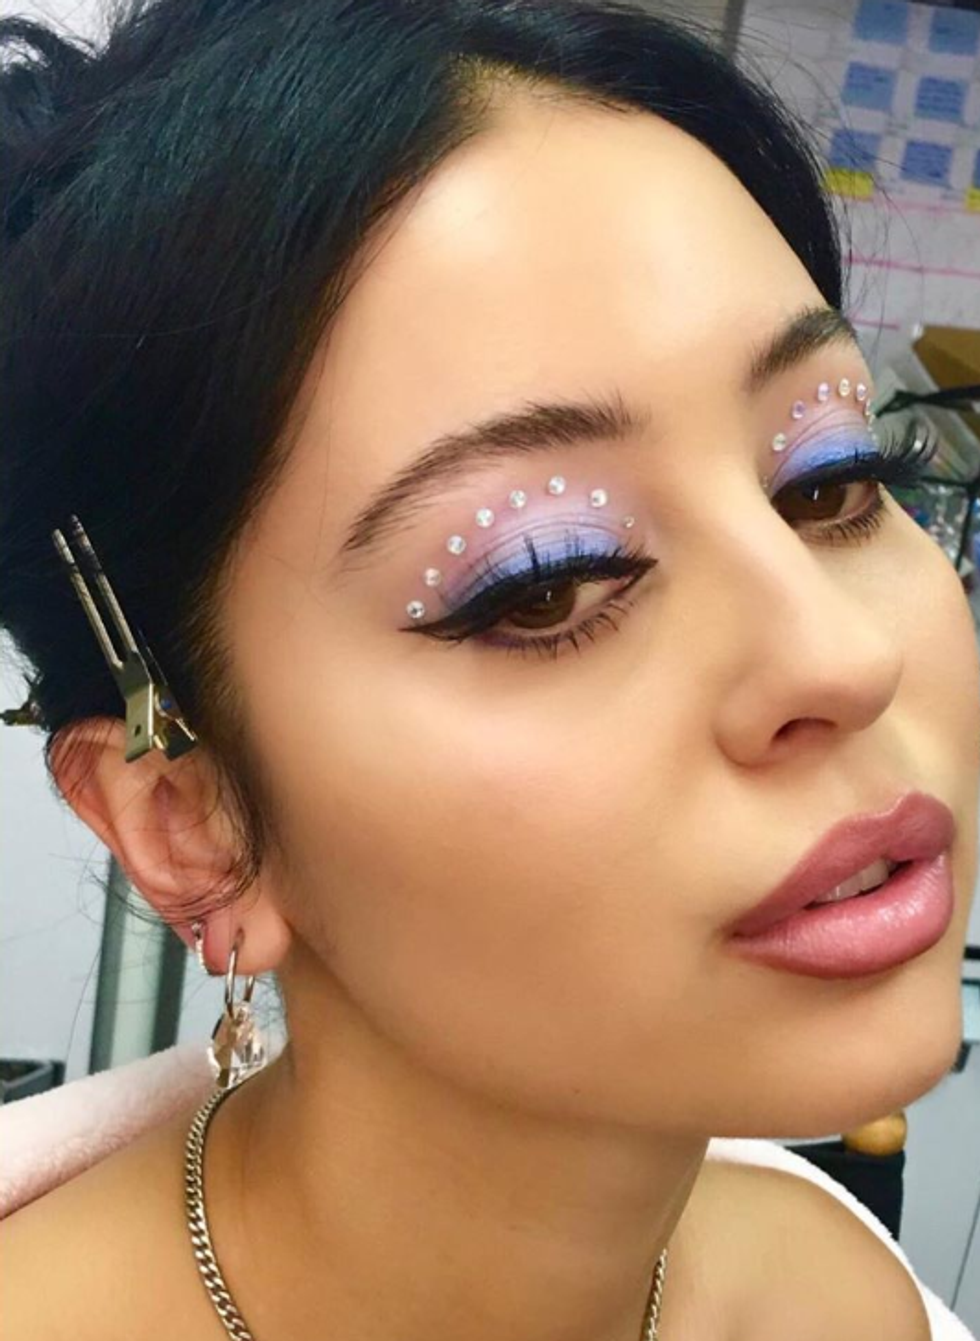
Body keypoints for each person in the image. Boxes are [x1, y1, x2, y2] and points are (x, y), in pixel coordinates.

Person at [1, 1, 977, 1337]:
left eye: (832, 481)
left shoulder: (832, 1302)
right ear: (192, 827)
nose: (845, 655)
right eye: (544, 583)